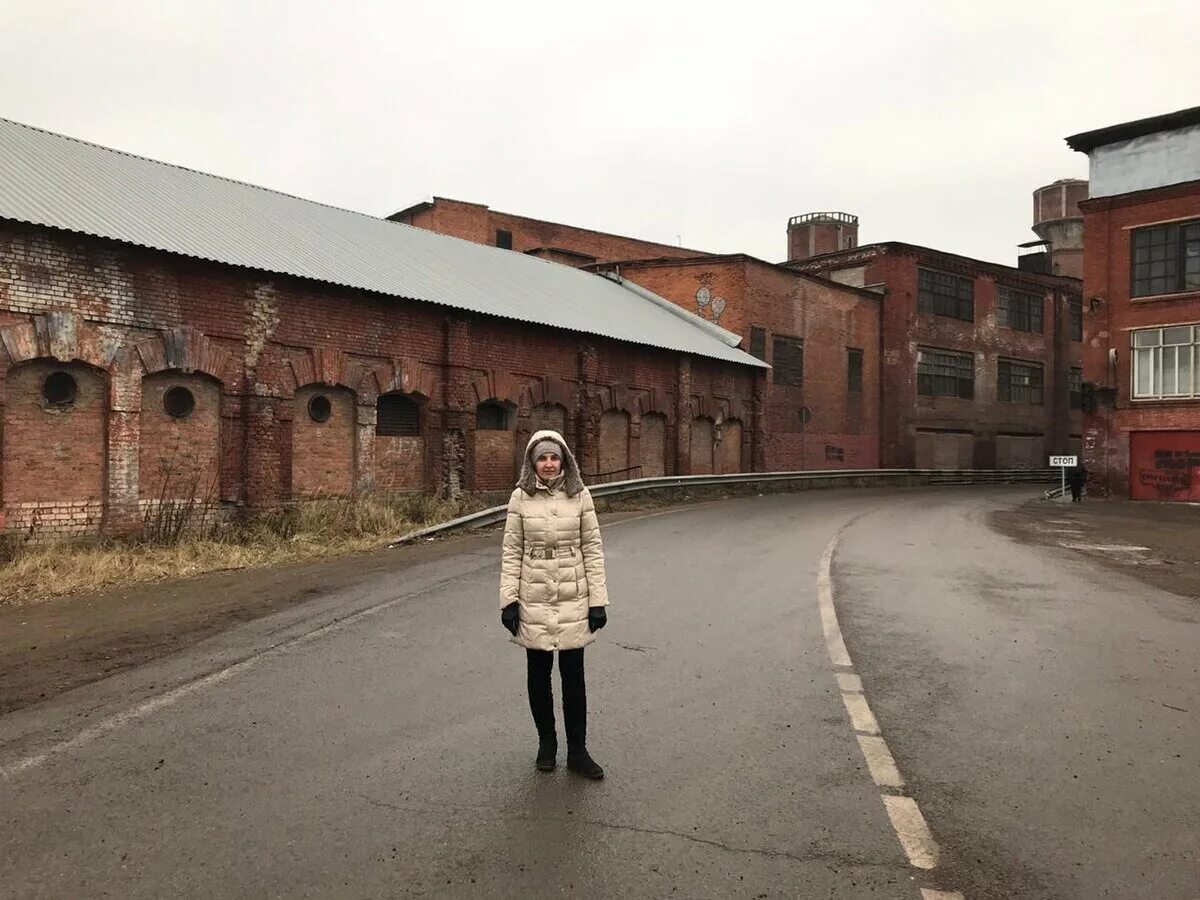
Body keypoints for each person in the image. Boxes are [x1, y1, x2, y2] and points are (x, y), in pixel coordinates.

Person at [499, 429, 609, 779]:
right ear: (532, 462)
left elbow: (592, 548)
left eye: (554, 457)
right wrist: (509, 601)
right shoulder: (520, 497)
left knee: (573, 676)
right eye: (542, 458)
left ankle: (578, 751)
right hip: (533, 594)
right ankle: (547, 744)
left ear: (564, 460)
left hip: (573, 594)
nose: (548, 464)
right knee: (538, 673)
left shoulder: (579, 495)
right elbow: (511, 550)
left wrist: (597, 601)